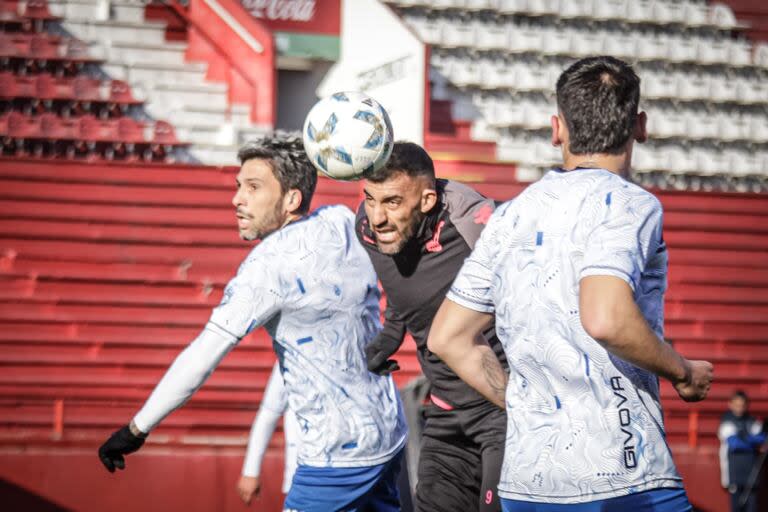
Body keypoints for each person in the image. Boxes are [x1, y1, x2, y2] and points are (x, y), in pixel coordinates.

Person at [428, 56, 714, 511]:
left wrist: (524, 406)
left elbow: (448, 337)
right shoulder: (629, 204)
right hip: (622, 474)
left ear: (556, 128)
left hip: (527, 480)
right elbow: (605, 318)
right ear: (639, 125)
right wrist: (683, 371)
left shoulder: (511, 215)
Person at [98, 134, 408, 512]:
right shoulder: (341, 219)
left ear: (292, 199)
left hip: (336, 458)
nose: (237, 199)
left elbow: (203, 355)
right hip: (390, 434)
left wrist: (136, 429)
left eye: (253, 187)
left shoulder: (265, 267)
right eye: (238, 186)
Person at [356, 141, 507, 511]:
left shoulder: (475, 221)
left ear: (426, 201)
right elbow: (405, 287)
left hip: (504, 413)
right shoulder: (368, 228)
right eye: (370, 199)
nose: (376, 216)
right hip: (445, 414)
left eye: (391, 202)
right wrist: (391, 333)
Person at [237, 361, 299, 505]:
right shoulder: (292, 353)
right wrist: (251, 471)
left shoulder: (357, 345)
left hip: (355, 471)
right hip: (304, 472)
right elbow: (269, 411)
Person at [718, 390, 766, 512]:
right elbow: (735, 444)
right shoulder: (726, 421)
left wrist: (746, 438)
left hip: (751, 472)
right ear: (730, 404)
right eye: (737, 405)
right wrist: (752, 442)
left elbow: (762, 438)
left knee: (752, 507)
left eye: (742, 405)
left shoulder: (751, 421)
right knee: (736, 507)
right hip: (734, 473)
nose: (740, 408)